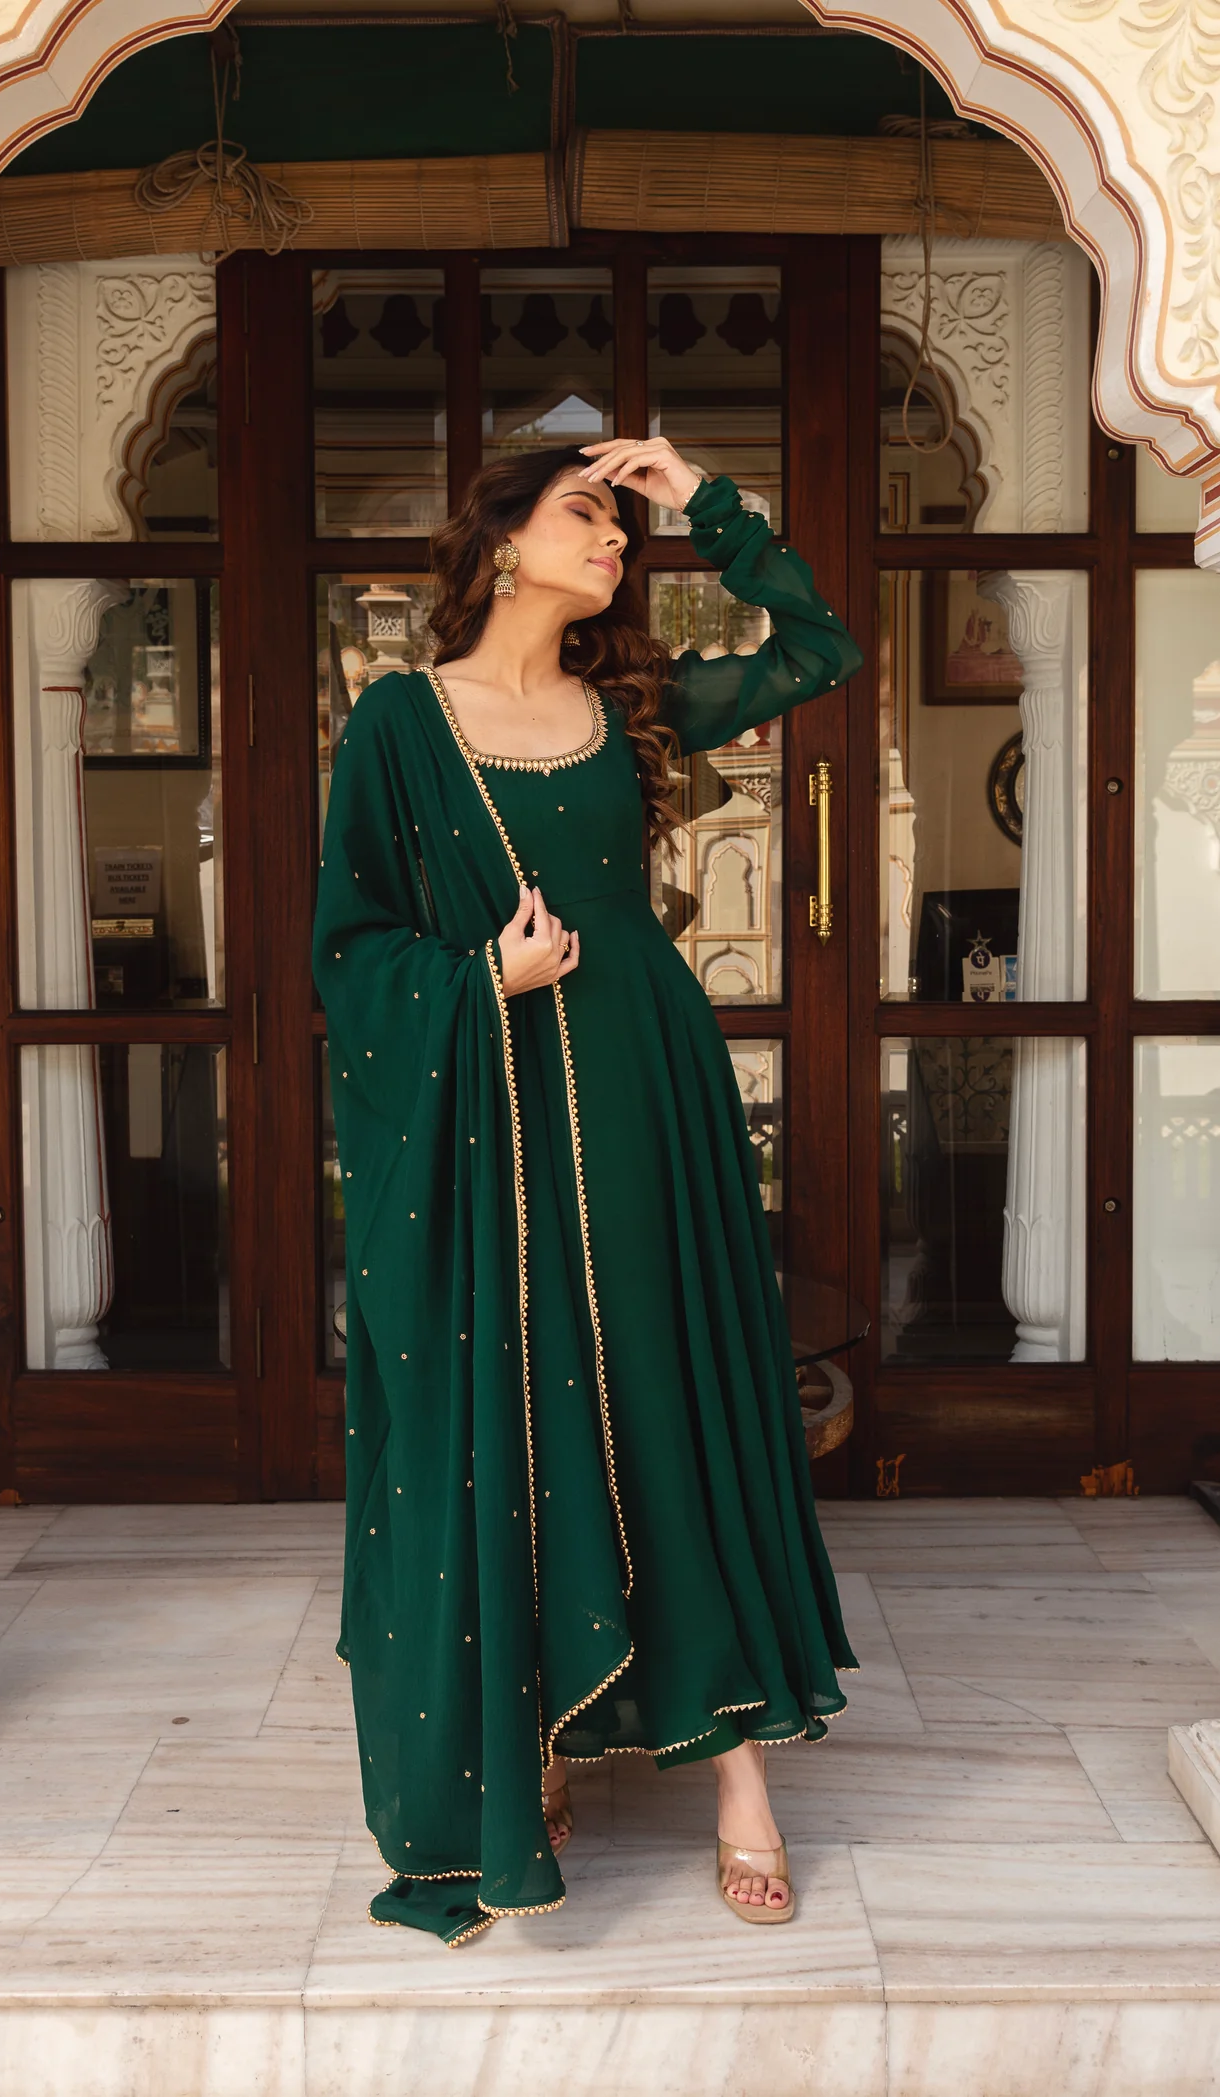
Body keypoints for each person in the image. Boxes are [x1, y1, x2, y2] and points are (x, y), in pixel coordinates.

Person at [313, 436, 862, 1947]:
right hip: (488, 1103)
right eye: (587, 514)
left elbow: (821, 649)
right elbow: (349, 944)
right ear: (501, 543)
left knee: (662, 1390)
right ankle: (536, 1729)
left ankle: (740, 1772)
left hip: (640, 1087)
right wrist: (478, 978)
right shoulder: (401, 724)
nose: (616, 539)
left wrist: (709, 504)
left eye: (625, 522)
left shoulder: (636, 705)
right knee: (522, 1395)